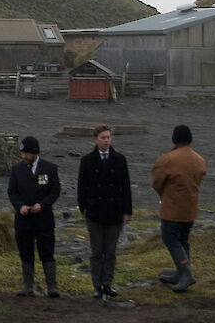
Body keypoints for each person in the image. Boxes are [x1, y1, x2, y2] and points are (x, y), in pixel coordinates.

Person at [77, 124, 133, 302]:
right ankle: (97, 287)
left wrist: (127, 211)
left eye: (108, 137)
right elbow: (81, 187)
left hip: (115, 212)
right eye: (103, 138)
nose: (106, 140)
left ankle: (107, 284)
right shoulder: (87, 161)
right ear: (96, 139)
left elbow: (126, 187)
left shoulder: (120, 160)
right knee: (96, 251)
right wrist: (83, 208)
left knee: (110, 251)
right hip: (95, 213)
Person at [150, 124, 206, 292]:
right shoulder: (199, 159)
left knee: (171, 240)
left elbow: (157, 181)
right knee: (183, 241)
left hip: (173, 209)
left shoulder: (169, 159)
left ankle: (185, 273)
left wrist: (164, 195)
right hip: (190, 209)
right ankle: (181, 272)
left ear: (174, 139)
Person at [7, 135, 61, 298]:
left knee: (47, 251)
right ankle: (28, 286)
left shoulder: (50, 168)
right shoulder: (17, 169)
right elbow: (12, 192)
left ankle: (52, 286)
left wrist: (42, 205)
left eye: (26, 153)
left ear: (34, 152)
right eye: (22, 153)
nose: (23, 156)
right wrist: (20, 206)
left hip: (43, 219)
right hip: (23, 219)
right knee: (25, 252)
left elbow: (55, 191)